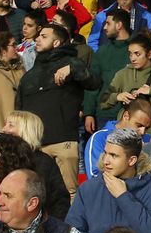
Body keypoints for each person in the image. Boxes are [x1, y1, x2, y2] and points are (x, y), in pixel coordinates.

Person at [16, 22, 100, 196]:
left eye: (44, 36)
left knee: (69, 193)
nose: (37, 39)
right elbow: (19, 110)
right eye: (38, 36)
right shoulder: (29, 75)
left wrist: (73, 67)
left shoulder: (72, 64)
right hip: (36, 145)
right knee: (38, 195)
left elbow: (94, 83)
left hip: (63, 141)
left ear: (56, 43)